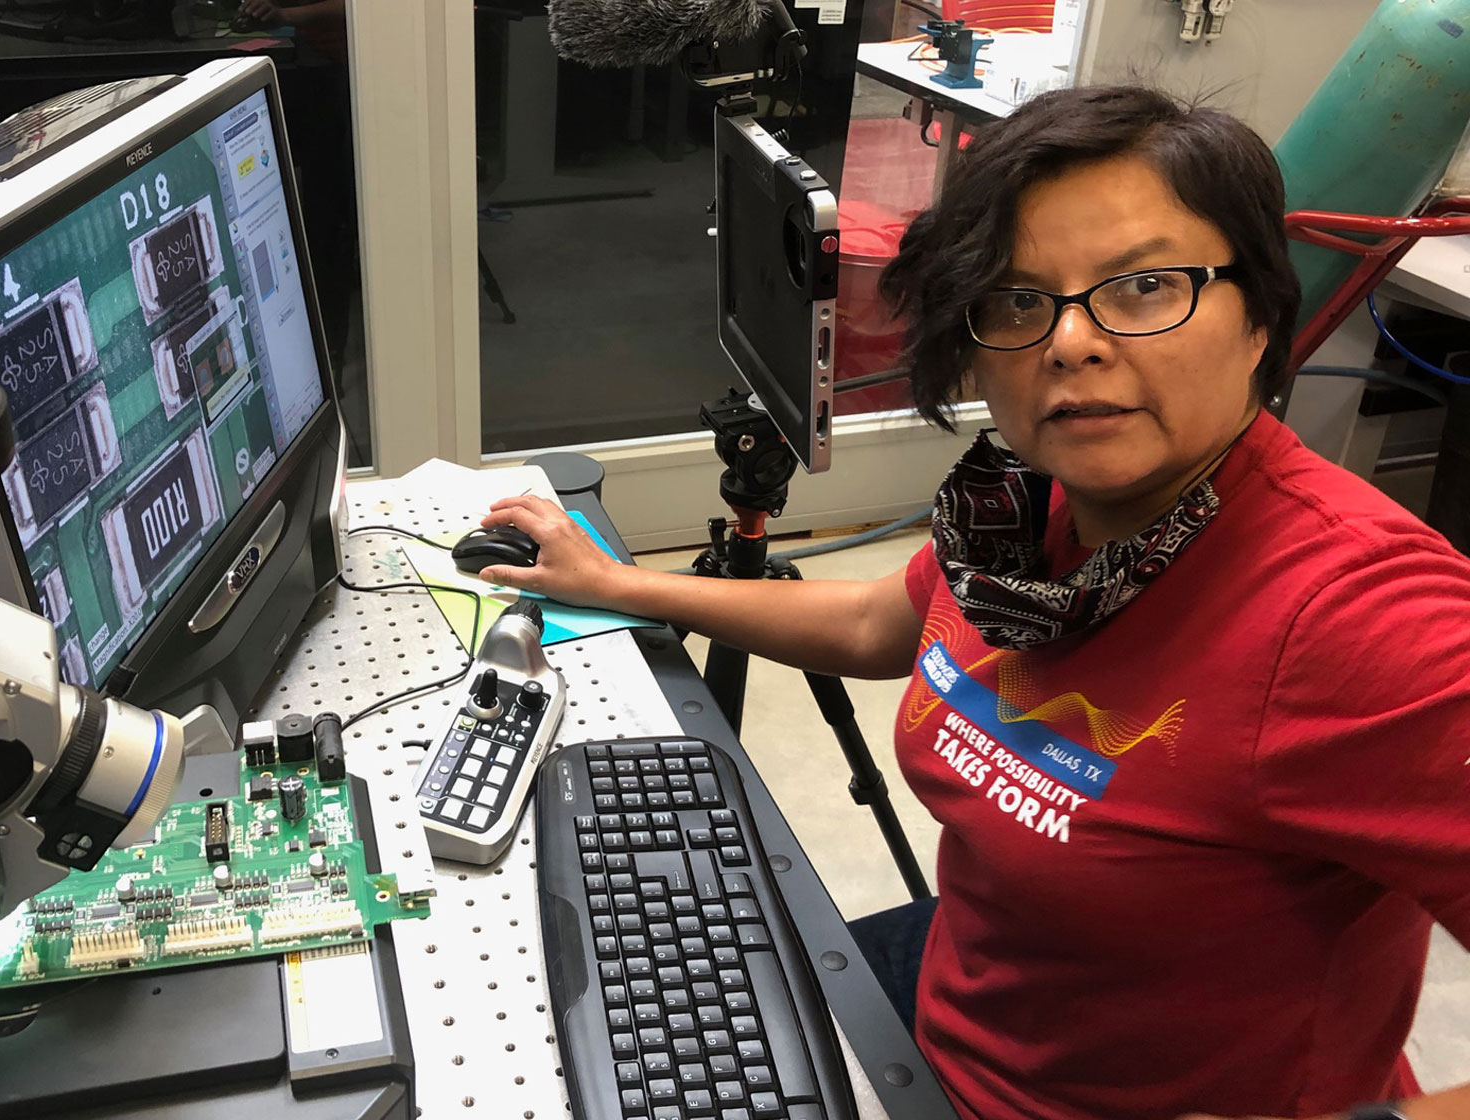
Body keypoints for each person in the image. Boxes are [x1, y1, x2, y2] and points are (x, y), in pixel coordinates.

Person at [474, 86, 1470, 1120]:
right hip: (961, 998)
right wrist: (619, 585)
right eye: (1018, 300)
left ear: (1262, 316)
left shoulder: (1361, 616)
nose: (1071, 342)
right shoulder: (1020, 514)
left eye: (1143, 286)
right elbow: (876, 626)